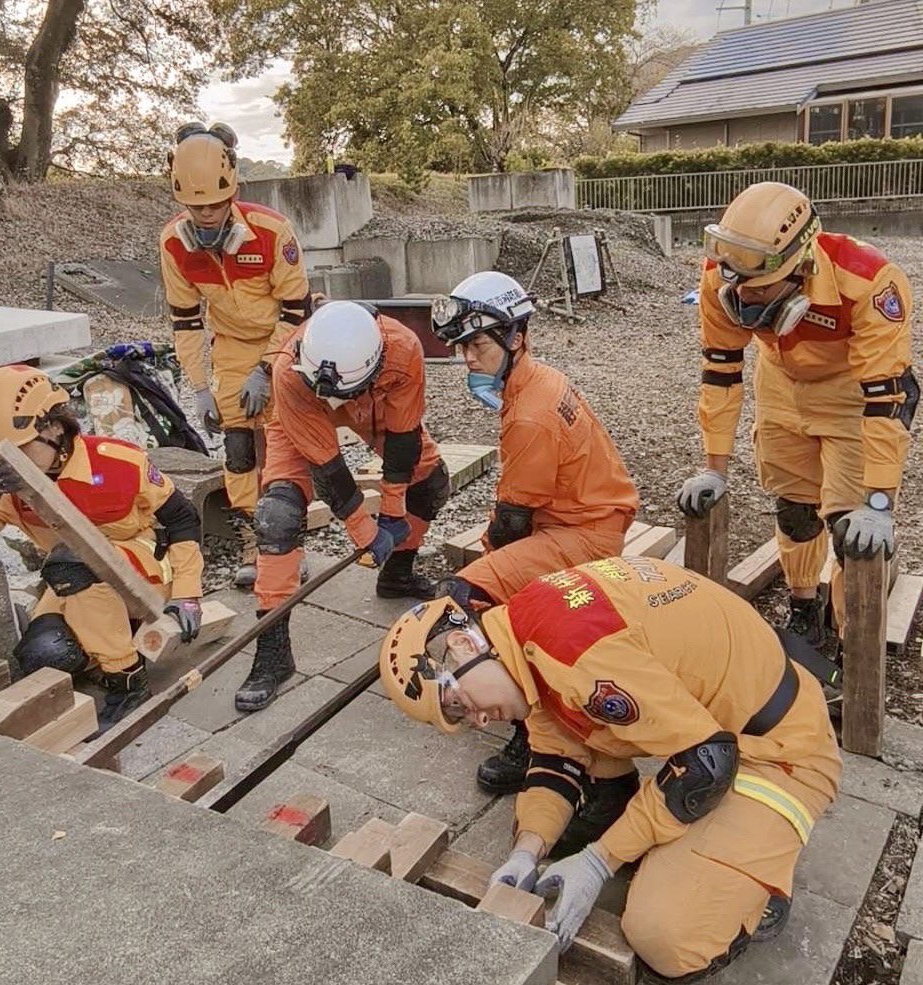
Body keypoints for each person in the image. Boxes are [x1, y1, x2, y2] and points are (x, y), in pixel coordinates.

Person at [380, 556, 840, 980]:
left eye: (458, 705)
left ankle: (756, 890)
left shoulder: (579, 653)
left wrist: (601, 861)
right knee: (581, 738)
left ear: (461, 645)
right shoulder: (526, 634)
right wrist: (528, 849)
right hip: (722, 724)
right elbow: (554, 756)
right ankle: (661, 831)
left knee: (663, 935)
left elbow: (706, 766)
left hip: (781, 754)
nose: (478, 720)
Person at [678, 181, 916, 645]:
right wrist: (714, 470)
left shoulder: (869, 281)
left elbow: (887, 397)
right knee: (795, 509)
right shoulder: (723, 273)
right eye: (736, 284)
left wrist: (880, 503)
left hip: (851, 393)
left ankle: (853, 635)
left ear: (800, 265)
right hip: (781, 386)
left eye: (759, 288)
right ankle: (805, 605)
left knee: (853, 530)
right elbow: (721, 370)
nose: (742, 298)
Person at [431, 271, 639, 795]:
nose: (468, 360)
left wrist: (490, 576)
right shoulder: (538, 378)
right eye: (462, 347)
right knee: (494, 587)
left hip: (583, 533)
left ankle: (531, 732)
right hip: (585, 517)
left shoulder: (532, 415)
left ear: (515, 336)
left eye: (477, 345)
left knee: (471, 598)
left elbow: (510, 522)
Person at [234, 300, 450, 712]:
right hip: (299, 412)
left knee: (432, 484)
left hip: (376, 405)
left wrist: (392, 514)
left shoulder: (403, 349)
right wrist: (364, 532)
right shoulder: (289, 368)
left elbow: (403, 441)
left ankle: (398, 575)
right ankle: (273, 651)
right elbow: (327, 468)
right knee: (276, 517)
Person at [0, 365, 204, 731]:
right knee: (46, 655)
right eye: (2, 451)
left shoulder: (118, 462)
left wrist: (188, 595)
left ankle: (128, 679)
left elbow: (183, 521)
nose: (12, 459)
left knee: (74, 560)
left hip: (141, 573)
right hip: (71, 582)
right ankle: (107, 637)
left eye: (20, 447)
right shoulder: (11, 486)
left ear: (54, 428)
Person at [160, 121, 310, 588]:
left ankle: (290, 539)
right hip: (229, 349)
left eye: (214, 205)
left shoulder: (271, 232)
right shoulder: (174, 245)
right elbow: (185, 321)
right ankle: (255, 532)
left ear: (233, 192)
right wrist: (201, 388)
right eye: (195, 206)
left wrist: (267, 369)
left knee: (283, 441)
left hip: (284, 340)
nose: (205, 215)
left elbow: (296, 308)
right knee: (239, 446)